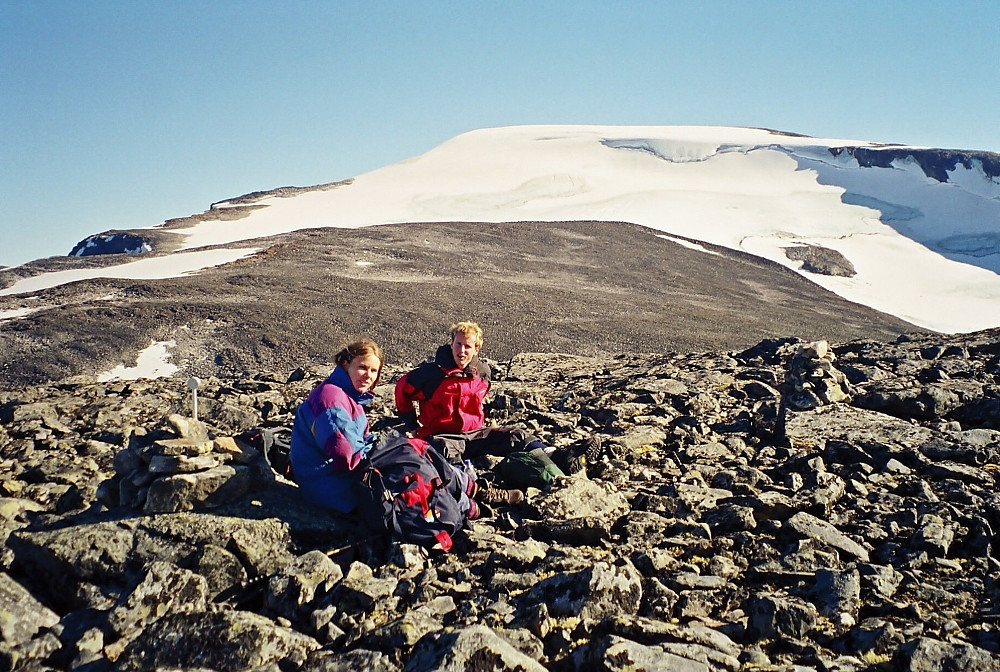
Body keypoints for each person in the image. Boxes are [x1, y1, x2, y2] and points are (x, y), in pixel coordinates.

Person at [289, 338, 494, 520]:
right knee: (414, 464)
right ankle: (470, 504)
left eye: (373, 371)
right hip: (335, 489)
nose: (368, 376)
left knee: (418, 451)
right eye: (362, 367)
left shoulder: (346, 395)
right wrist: (388, 451)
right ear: (346, 363)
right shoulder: (331, 398)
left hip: (342, 481)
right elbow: (347, 455)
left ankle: (472, 494)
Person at [395, 322, 601, 498]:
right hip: (444, 437)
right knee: (440, 450)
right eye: (458, 344)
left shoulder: (482, 372)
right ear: (451, 344)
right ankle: (479, 490)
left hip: (475, 435)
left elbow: (482, 395)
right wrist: (412, 425)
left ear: (477, 349)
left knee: (517, 435)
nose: (462, 351)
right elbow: (401, 389)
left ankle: (562, 457)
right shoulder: (430, 375)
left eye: (468, 346)